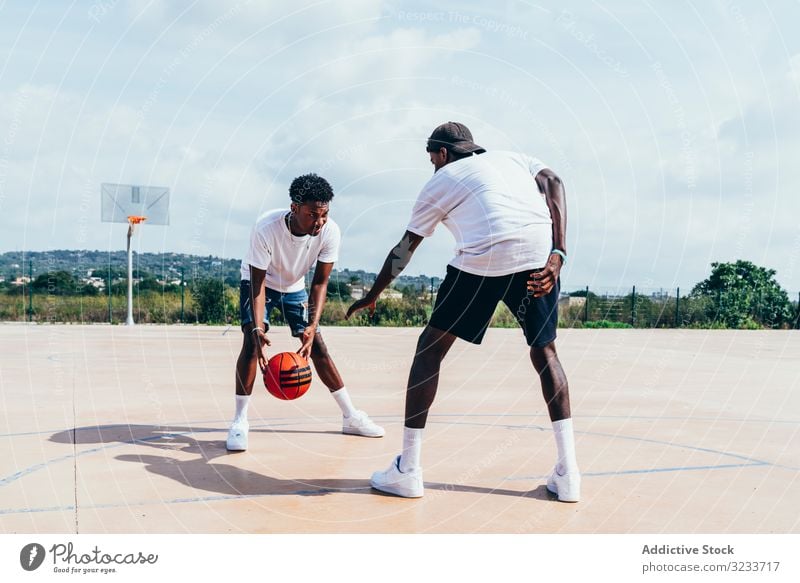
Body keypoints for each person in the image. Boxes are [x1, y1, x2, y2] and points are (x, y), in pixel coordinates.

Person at [347, 122, 579, 501]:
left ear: (441, 154)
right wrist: (560, 252)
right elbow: (553, 179)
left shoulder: (443, 178)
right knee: (545, 352)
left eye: (431, 159)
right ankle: (569, 476)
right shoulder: (514, 158)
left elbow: (405, 249)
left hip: (486, 256)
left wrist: (373, 293)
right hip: (539, 253)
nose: (433, 166)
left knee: (430, 349)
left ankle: (408, 470)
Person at [227, 173, 384, 451]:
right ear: (294, 208)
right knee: (252, 343)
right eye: (313, 214)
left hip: (295, 285)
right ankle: (239, 422)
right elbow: (258, 284)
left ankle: (350, 416)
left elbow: (320, 283)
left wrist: (312, 324)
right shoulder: (266, 228)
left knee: (318, 345)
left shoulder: (329, 231)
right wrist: (256, 327)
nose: (319, 221)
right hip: (258, 283)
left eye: (324, 214)